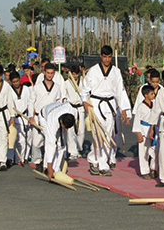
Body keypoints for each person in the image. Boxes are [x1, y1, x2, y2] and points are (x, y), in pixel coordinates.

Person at [81, 45, 131, 177]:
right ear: (101, 56)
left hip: (110, 105)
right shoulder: (93, 71)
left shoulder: (116, 71)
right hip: (96, 105)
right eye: (105, 56)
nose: (107, 59)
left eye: (109, 57)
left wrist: (125, 109)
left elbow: (120, 91)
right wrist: (85, 103)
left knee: (108, 135)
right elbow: (84, 90)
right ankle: (93, 160)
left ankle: (103, 163)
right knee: (98, 135)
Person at [28, 63, 64, 168]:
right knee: (36, 142)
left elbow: (59, 103)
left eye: (52, 73)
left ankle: (48, 163)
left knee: (51, 142)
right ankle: (38, 161)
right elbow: (31, 102)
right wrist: (31, 115)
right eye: (48, 73)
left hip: (51, 119)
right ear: (44, 72)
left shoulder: (57, 87)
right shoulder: (37, 87)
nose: (49, 75)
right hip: (38, 117)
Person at [38, 102, 76, 179]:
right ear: (61, 122)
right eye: (66, 128)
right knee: (52, 143)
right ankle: (47, 167)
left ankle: (56, 169)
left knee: (61, 145)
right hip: (44, 118)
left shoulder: (72, 111)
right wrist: (49, 166)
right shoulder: (52, 121)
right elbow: (50, 144)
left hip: (57, 111)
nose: (67, 130)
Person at [132, 85, 158, 180]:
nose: (153, 95)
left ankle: (153, 168)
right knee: (144, 153)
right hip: (143, 130)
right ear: (145, 95)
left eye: (154, 93)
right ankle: (145, 171)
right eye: (151, 94)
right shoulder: (141, 106)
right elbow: (137, 121)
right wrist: (138, 133)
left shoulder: (155, 104)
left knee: (155, 151)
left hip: (153, 129)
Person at [9, 72, 34, 164]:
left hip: (23, 117)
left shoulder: (26, 89)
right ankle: (10, 158)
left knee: (22, 139)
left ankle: (21, 159)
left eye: (17, 81)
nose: (16, 83)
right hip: (13, 117)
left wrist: (30, 116)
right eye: (14, 82)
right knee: (12, 139)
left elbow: (30, 103)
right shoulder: (9, 90)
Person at [62, 65, 85, 160]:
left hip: (80, 108)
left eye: (77, 74)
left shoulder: (83, 82)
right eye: (74, 74)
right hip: (70, 108)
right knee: (71, 131)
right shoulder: (66, 83)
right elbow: (64, 95)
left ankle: (79, 148)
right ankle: (72, 151)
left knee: (81, 130)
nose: (75, 76)